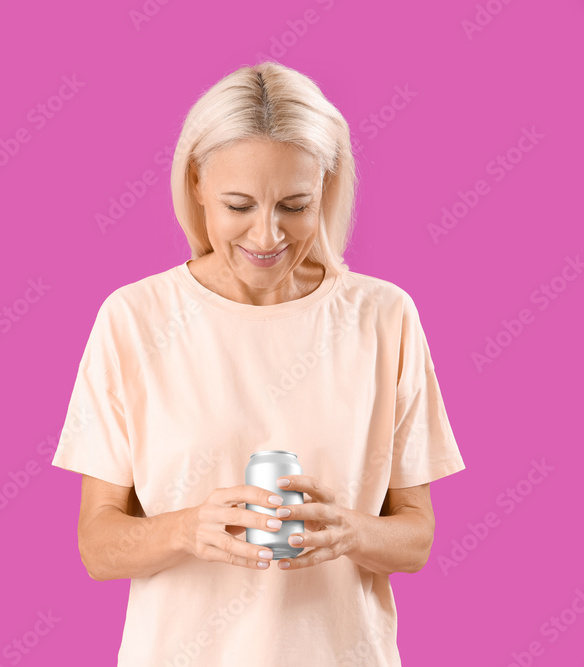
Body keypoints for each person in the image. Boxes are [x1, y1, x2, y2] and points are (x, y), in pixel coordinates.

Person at [50, 61, 466, 666]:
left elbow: (416, 537)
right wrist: (186, 528)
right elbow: (98, 546)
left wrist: (352, 530)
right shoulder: (135, 319)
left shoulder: (384, 317)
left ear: (325, 187)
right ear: (196, 184)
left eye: (294, 205)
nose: (267, 235)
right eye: (239, 204)